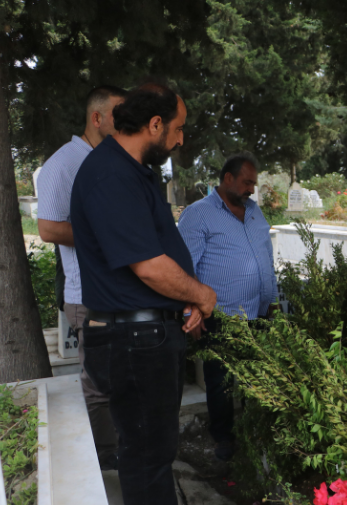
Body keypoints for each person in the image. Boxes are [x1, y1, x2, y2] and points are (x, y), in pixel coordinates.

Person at [70, 82, 216, 505]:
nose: (181, 137)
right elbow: (149, 266)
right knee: (146, 460)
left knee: (154, 455)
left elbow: (157, 251)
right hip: (132, 342)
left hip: (145, 335)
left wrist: (181, 300)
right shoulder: (111, 174)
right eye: (178, 127)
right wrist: (201, 295)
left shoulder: (136, 172)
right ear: (155, 124)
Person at [36, 84, 127, 470]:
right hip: (87, 293)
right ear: (97, 118)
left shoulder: (113, 158)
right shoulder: (64, 163)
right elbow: (49, 229)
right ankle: (104, 460)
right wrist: (106, 238)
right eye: (118, 115)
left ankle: (121, 449)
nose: (125, 123)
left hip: (118, 289)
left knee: (120, 375)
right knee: (98, 381)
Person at [178, 152, 279, 462]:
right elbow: (184, 268)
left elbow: (264, 255)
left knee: (255, 378)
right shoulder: (199, 214)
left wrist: (271, 301)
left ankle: (253, 433)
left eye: (254, 183)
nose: (251, 189)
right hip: (220, 316)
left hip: (259, 313)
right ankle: (223, 438)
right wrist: (188, 311)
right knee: (220, 382)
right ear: (228, 179)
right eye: (247, 182)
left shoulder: (254, 212)